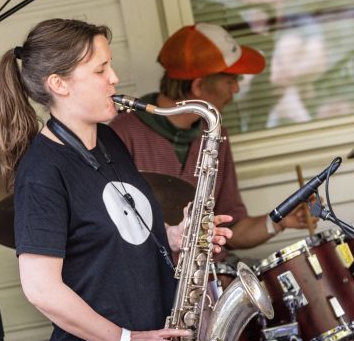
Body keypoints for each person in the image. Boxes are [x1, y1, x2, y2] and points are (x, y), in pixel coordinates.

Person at [0, 18, 232, 341]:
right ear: (59, 85)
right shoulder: (43, 173)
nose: (115, 79)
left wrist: (180, 237)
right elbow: (41, 288)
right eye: (101, 69)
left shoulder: (107, 141)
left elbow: (120, 228)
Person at [110, 23, 318, 257]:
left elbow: (233, 230)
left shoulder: (218, 135)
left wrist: (280, 221)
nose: (237, 89)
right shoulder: (121, 133)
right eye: (230, 80)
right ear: (198, 86)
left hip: (213, 280)